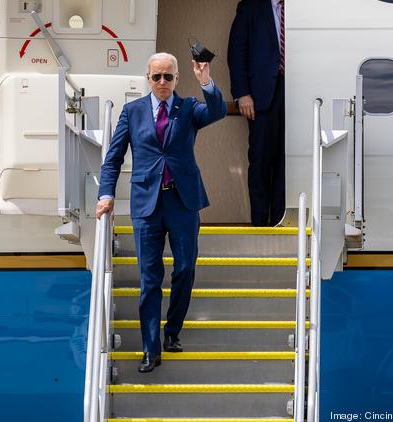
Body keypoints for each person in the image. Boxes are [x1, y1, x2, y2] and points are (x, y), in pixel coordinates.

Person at [96, 52, 227, 373]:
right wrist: (106, 193)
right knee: (149, 279)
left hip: (183, 202)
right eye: (157, 77)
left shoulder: (190, 108)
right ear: (148, 78)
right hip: (146, 205)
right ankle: (150, 349)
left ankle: (173, 332)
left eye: (168, 77)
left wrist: (206, 81)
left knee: (185, 269)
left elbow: (218, 111)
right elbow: (113, 158)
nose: (162, 82)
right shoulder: (132, 112)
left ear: (177, 78)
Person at [228, 0, 286, 227]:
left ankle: (282, 220)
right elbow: (236, 51)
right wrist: (242, 93)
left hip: (296, 92)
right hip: (261, 95)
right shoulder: (250, 6)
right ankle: (260, 224)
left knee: (287, 162)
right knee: (261, 159)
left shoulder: (301, 10)